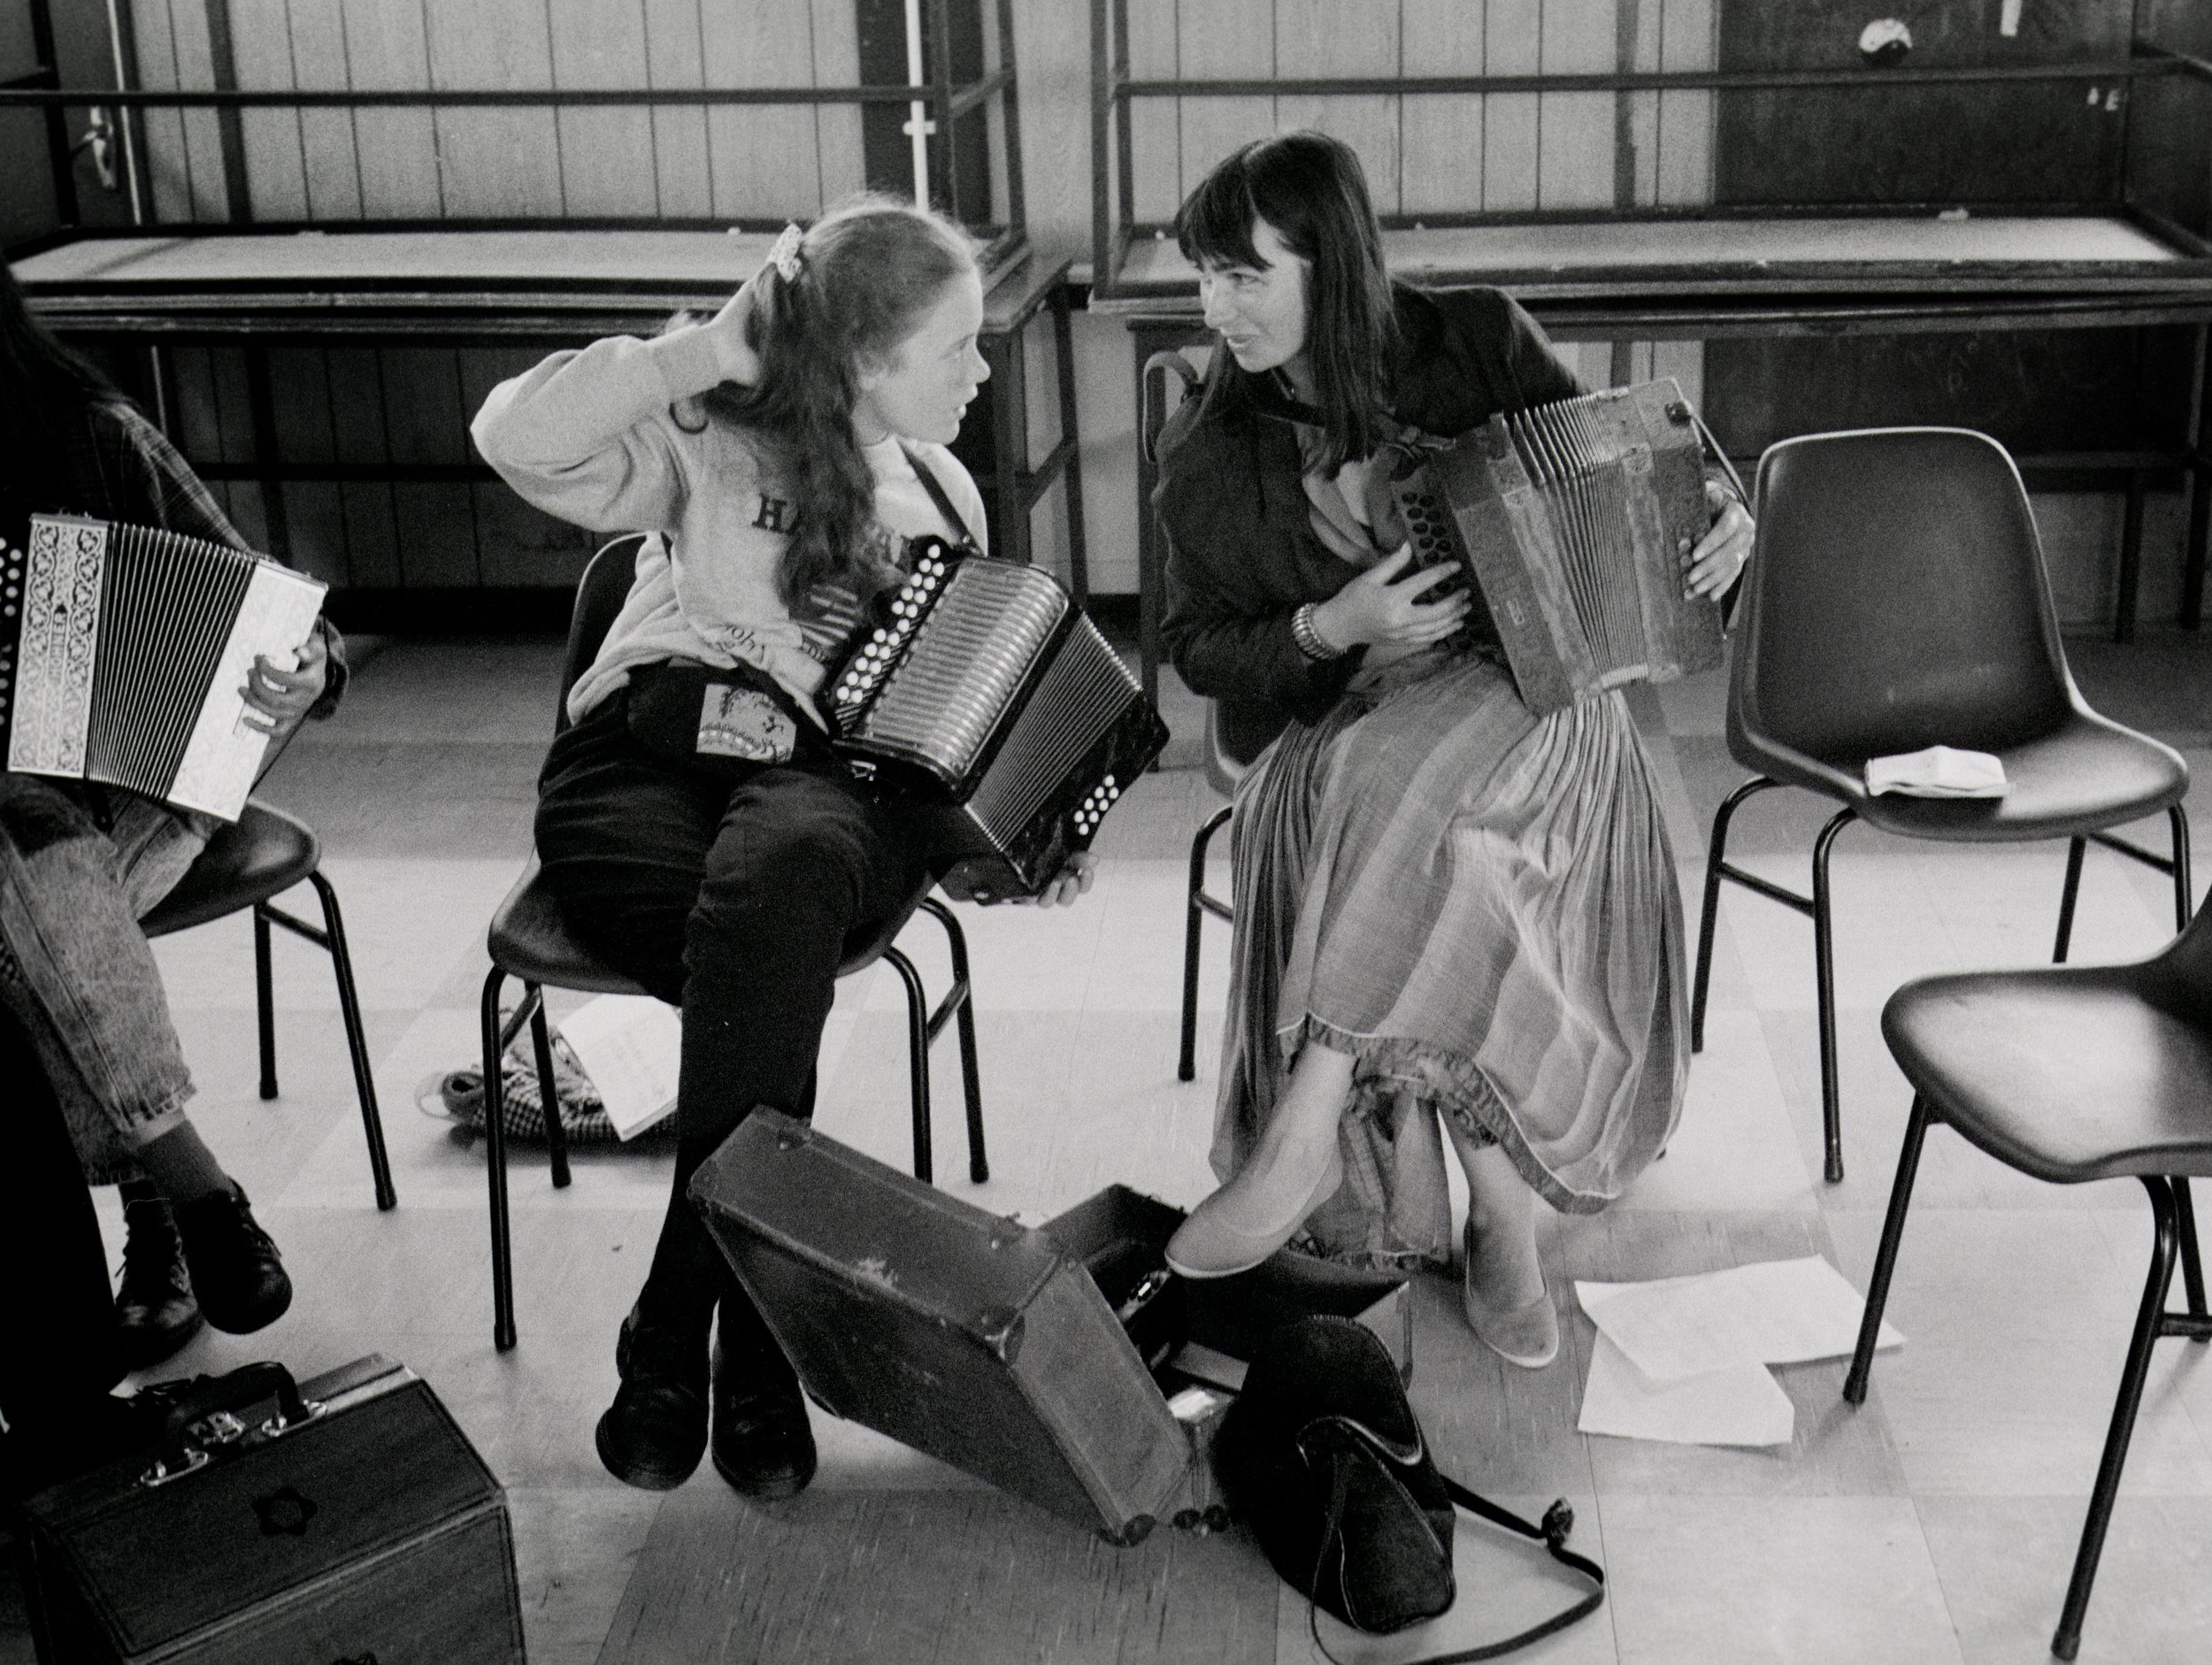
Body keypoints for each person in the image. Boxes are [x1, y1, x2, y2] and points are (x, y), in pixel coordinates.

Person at [472, 196, 1092, 1500]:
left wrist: (1016, 835)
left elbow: (947, 719)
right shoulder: (703, 436)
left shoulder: (940, 494)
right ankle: (754, 1335)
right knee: (764, 961)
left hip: (821, 789)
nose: (982, 373)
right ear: (865, 358)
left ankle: (674, 1321)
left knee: (785, 886)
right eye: (957, 347)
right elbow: (512, 436)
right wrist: (701, 351)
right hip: (643, 757)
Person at [1154, 134, 1755, 1369]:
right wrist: (1334, 625)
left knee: (1392, 796)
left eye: (1245, 275)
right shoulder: (1211, 447)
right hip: (1351, 707)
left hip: (1538, 695)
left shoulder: (1474, 338)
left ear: (1332, 260)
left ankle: (1308, 1122)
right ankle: (1500, 1221)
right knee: (1448, 852)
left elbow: (1628, 465)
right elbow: (1197, 646)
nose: (1215, 309)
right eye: (1205, 277)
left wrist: (1720, 506)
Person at [0, 258, 343, 1370]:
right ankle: (187, 1194)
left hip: (147, 790)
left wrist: (313, 666)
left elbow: (272, 610)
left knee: (14, 886)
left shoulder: (90, 434)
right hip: (34, 836)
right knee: (17, 858)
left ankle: (157, 1213)